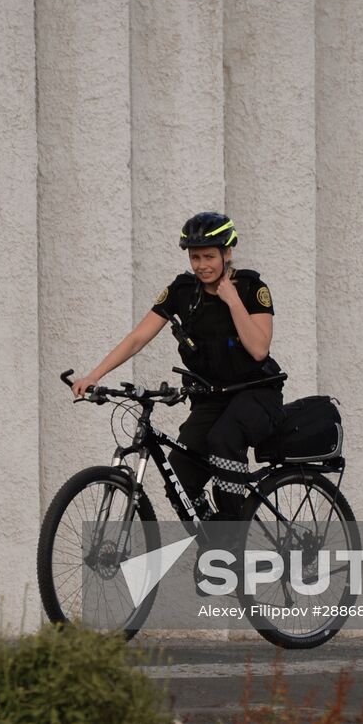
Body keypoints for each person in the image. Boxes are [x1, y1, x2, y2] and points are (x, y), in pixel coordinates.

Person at [71, 211, 284, 521]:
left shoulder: (252, 288)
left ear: (227, 253)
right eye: (195, 257)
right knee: (180, 476)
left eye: (209, 256)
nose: (201, 265)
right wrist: (94, 375)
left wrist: (233, 299)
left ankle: (233, 537)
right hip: (212, 398)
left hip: (256, 393)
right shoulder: (182, 292)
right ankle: (213, 542)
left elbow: (259, 349)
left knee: (223, 439)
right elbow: (138, 337)